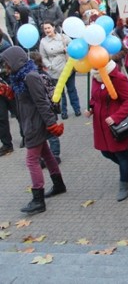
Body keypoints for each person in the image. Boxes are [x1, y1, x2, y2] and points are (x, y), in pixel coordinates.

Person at [0, 46, 66, 214]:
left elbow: (41, 102)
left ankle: (38, 200)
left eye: (7, 63)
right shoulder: (18, 76)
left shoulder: (30, 76)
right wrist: (9, 92)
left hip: (35, 124)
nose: (5, 66)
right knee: (46, 154)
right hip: (30, 122)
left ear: (15, 61)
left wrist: (52, 124)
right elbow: (23, 98)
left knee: (31, 161)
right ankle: (59, 184)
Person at [85, 60, 128, 201]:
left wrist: (116, 117)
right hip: (100, 124)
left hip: (115, 125)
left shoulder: (118, 78)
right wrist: (90, 108)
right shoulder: (95, 76)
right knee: (105, 152)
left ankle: (124, 184)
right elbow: (95, 98)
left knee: (121, 153)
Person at [39, 21, 81, 120]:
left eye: (49, 28)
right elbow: (43, 57)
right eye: (45, 29)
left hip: (67, 67)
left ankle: (77, 108)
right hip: (54, 71)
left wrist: (68, 49)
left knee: (71, 89)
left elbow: (75, 47)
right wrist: (49, 65)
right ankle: (63, 111)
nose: (47, 30)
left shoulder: (64, 37)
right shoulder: (43, 42)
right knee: (60, 92)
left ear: (53, 27)